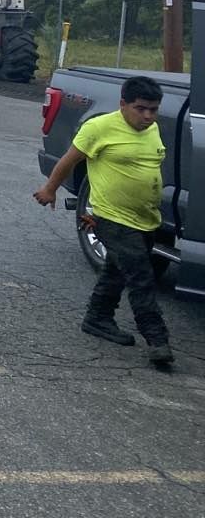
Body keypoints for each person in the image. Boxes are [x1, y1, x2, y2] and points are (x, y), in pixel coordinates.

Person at [33, 75, 171, 368]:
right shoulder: (98, 127)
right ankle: (158, 340)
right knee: (142, 278)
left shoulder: (153, 129)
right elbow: (70, 160)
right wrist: (50, 189)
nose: (147, 116)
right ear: (123, 104)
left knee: (117, 270)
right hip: (112, 216)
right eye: (141, 108)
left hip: (145, 219)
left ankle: (97, 317)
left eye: (153, 110)